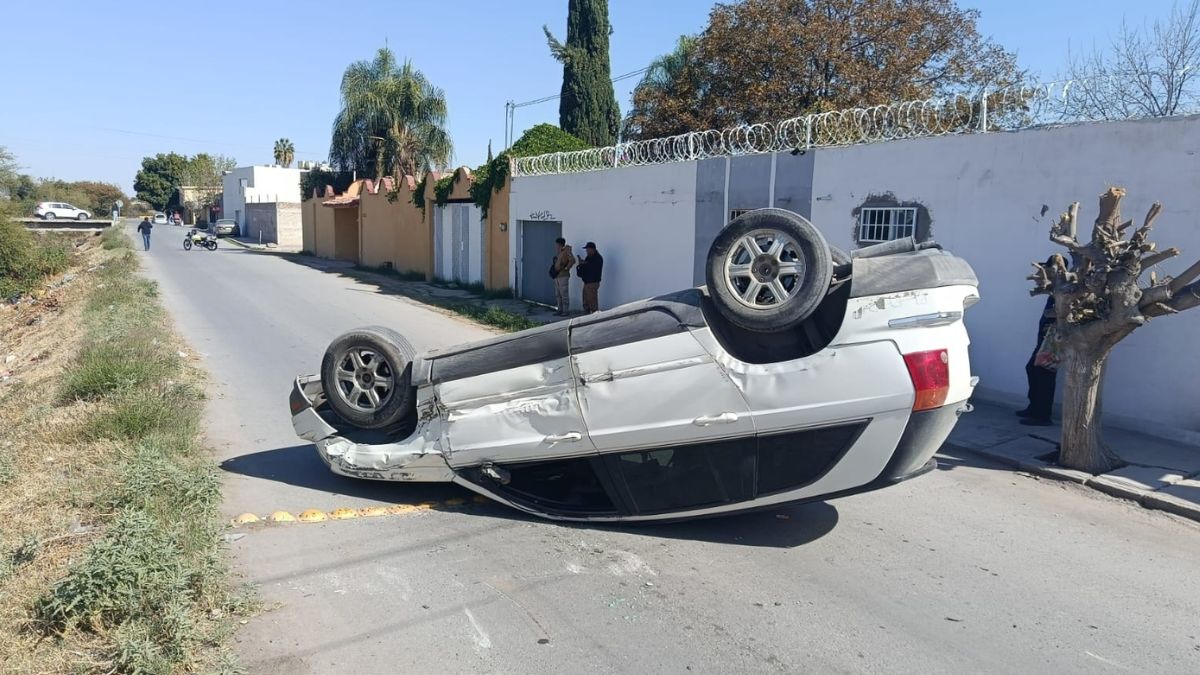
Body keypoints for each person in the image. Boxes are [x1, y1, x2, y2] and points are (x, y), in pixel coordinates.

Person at [1017, 259, 1058, 426]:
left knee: (1044, 375)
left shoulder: (1062, 290)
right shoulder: (1053, 290)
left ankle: (1042, 415)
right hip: (1044, 340)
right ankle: (1034, 408)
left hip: (1053, 342)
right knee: (1033, 370)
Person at [576, 241, 604, 314]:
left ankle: (594, 314)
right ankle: (587, 312)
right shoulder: (588, 257)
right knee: (585, 299)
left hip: (593, 282)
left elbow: (593, 268)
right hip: (587, 282)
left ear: (592, 249)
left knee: (592, 299)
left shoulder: (598, 258)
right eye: (586, 249)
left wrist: (585, 263)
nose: (586, 251)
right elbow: (586, 267)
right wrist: (581, 264)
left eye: (588, 249)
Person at [551, 237, 575, 316]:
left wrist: (566, 268)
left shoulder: (566, 251)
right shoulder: (560, 252)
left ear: (560, 244)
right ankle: (559, 309)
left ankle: (565, 311)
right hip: (557, 276)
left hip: (563, 276)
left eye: (557, 244)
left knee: (564, 294)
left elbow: (572, 260)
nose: (556, 246)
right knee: (558, 294)